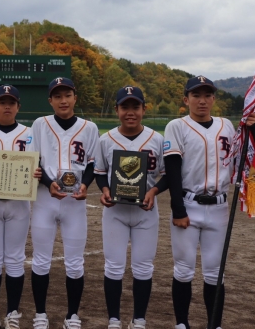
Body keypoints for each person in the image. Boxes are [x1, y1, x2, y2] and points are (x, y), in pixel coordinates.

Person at [93, 86, 167, 329]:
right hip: (115, 212)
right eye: (125, 107)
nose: (130, 112)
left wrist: (154, 191)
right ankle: (114, 320)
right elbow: (100, 173)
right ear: (117, 110)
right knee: (114, 267)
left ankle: (139, 320)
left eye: (136, 106)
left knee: (143, 268)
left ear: (144, 109)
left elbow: (168, 174)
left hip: (146, 211)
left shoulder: (157, 139)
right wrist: (105, 190)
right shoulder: (106, 140)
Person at [164, 76, 236, 329]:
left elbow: (244, 157)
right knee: (184, 270)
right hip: (189, 204)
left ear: (214, 98)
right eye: (196, 95)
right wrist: (178, 209)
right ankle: (182, 324)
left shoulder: (227, 126)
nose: (202, 100)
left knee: (215, 272)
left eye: (207, 95)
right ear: (186, 100)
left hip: (219, 207)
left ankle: (214, 325)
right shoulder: (177, 126)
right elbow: (172, 169)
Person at [29, 77, 99, 329]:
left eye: (67, 95)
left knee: (75, 263)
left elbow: (92, 164)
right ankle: (40, 315)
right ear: (50, 100)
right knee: (40, 260)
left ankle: (72, 316)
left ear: (74, 98)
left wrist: (85, 184)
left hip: (75, 203)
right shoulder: (40, 124)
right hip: (45, 199)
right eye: (57, 96)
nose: (63, 100)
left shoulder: (89, 128)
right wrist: (49, 183)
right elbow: (34, 161)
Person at [0, 85, 41, 329]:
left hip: (19, 205)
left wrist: (38, 172)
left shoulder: (30, 134)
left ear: (18, 107)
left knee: (15, 259)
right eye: (2, 102)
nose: (7, 106)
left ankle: (12, 314)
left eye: (11, 102)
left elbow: (39, 164)